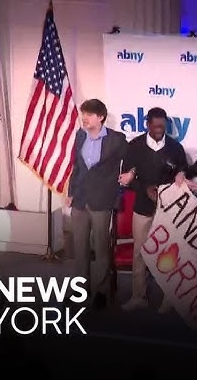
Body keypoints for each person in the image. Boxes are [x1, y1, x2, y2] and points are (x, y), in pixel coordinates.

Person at [118, 107, 188, 313]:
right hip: (142, 207)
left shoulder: (175, 148)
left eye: (162, 126)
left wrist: (181, 174)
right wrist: (144, 188)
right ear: (147, 124)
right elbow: (126, 178)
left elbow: (183, 170)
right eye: (155, 126)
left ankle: (169, 299)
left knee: (169, 253)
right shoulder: (134, 146)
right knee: (139, 252)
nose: (159, 130)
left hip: (169, 209)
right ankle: (138, 296)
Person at [66, 99, 127, 309]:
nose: (84, 118)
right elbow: (77, 166)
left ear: (100, 117)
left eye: (89, 115)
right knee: (80, 246)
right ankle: (81, 287)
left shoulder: (116, 140)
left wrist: (131, 173)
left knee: (101, 247)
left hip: (102, 200)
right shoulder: (80, 135)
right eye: (83, 114)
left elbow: (130, 160)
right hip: (80, 199)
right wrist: (71, 192)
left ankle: (102, 290)